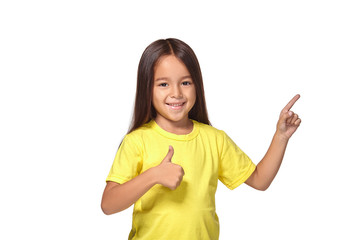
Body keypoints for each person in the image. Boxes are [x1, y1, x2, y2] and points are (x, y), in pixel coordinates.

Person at [101, 38, 301, 239]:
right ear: (147, 89)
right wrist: (153, 176)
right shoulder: (137, 141)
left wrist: (281, 136)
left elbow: (260, 180)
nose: (176, 93)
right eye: (163, 84)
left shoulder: (215, 140)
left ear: (197, 85)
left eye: (185, 82)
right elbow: (108, 204)